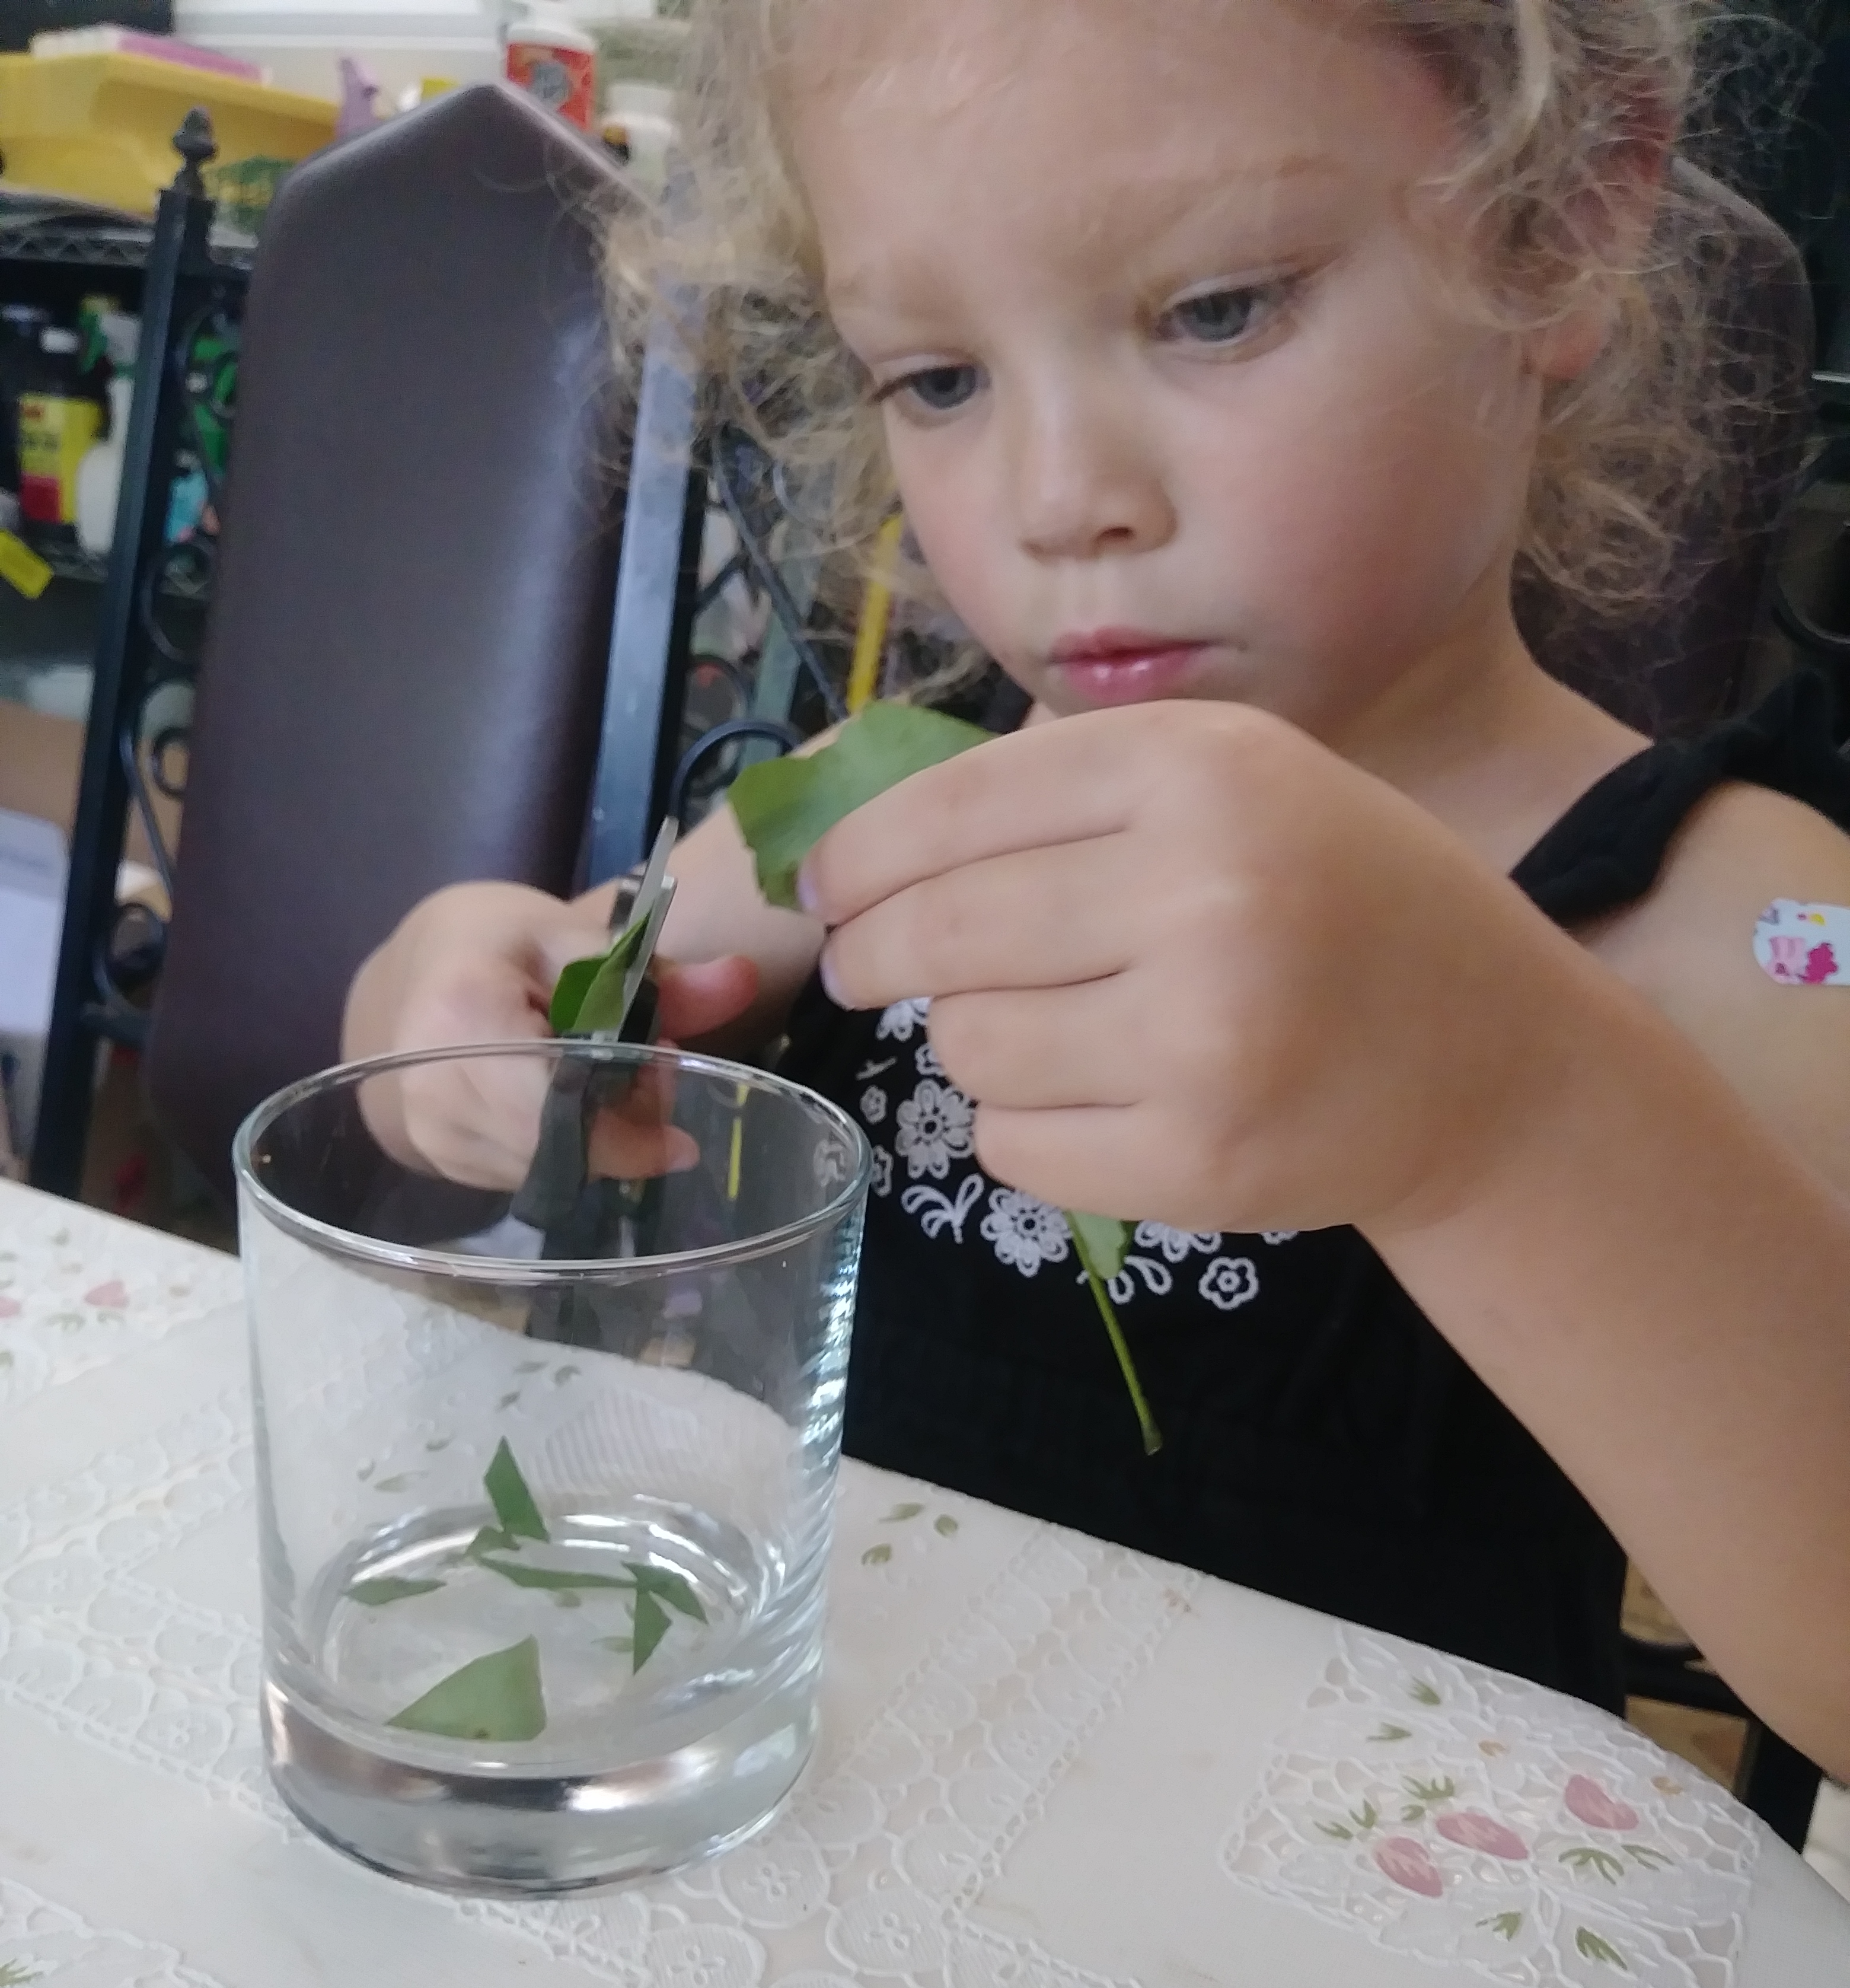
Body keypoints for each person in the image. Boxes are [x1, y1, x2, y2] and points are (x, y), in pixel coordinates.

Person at [345, 0, 1850, 1777]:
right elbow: (540, 992)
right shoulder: (889, 796)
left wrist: (1504, 1111)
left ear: (1564, 225)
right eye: (940, 380)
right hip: (843, 1817)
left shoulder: (1752, 923)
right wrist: (462, 1004)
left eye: (1217, 310)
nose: (1062, 501)